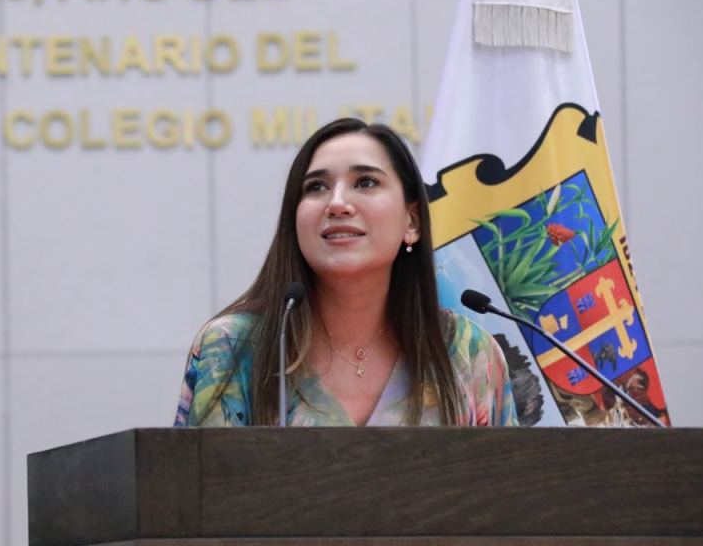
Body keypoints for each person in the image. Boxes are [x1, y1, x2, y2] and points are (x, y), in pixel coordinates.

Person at [174, 118, 518, 427]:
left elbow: (509, 477)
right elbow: (204, 478)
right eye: (316, 187)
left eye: (365, 182)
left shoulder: (469, 353)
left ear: (411, 222)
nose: (337, 203)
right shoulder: (233, 348)